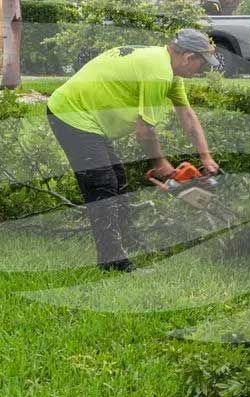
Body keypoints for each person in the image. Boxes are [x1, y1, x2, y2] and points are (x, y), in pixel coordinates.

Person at [46, 28, 221, 272]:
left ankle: (127, 241)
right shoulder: (159, 73)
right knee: (103, 183)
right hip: (71, 114)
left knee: (117, 176)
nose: (201, 71)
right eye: (201, 65)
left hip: (86, 117)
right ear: (188, 57)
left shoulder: (168, 70)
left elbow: (188, 117)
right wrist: (160, 164)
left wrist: (206, 157)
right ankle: (112, 261)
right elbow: (144, 131)